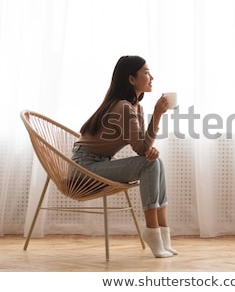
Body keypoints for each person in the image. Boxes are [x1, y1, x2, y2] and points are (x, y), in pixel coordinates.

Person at [71, 55, 177, 258]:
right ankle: (153, 233)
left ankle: (163, 236)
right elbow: (141, 149)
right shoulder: (124, 108)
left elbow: (143, 148)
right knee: (150, 165)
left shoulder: (135, 107)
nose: (151, 77)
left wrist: (151, 149)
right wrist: (157, 115)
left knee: (156, 162)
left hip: (98, 164)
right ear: (131, 79)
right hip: (83, 169)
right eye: (146, 72)